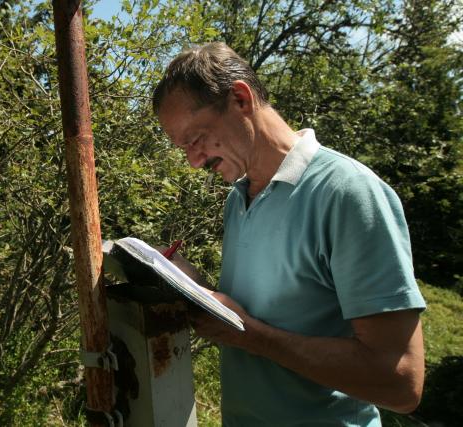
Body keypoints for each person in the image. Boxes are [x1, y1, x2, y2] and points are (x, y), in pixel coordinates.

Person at [152, 42, 426, 426]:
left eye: (195, 139)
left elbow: (401, 383)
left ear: (240, 99)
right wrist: (193, 285)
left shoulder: (348, 193)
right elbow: (263, 314)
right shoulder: (238, 198)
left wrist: (250, 336)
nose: (194, 162)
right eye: (184, 148)